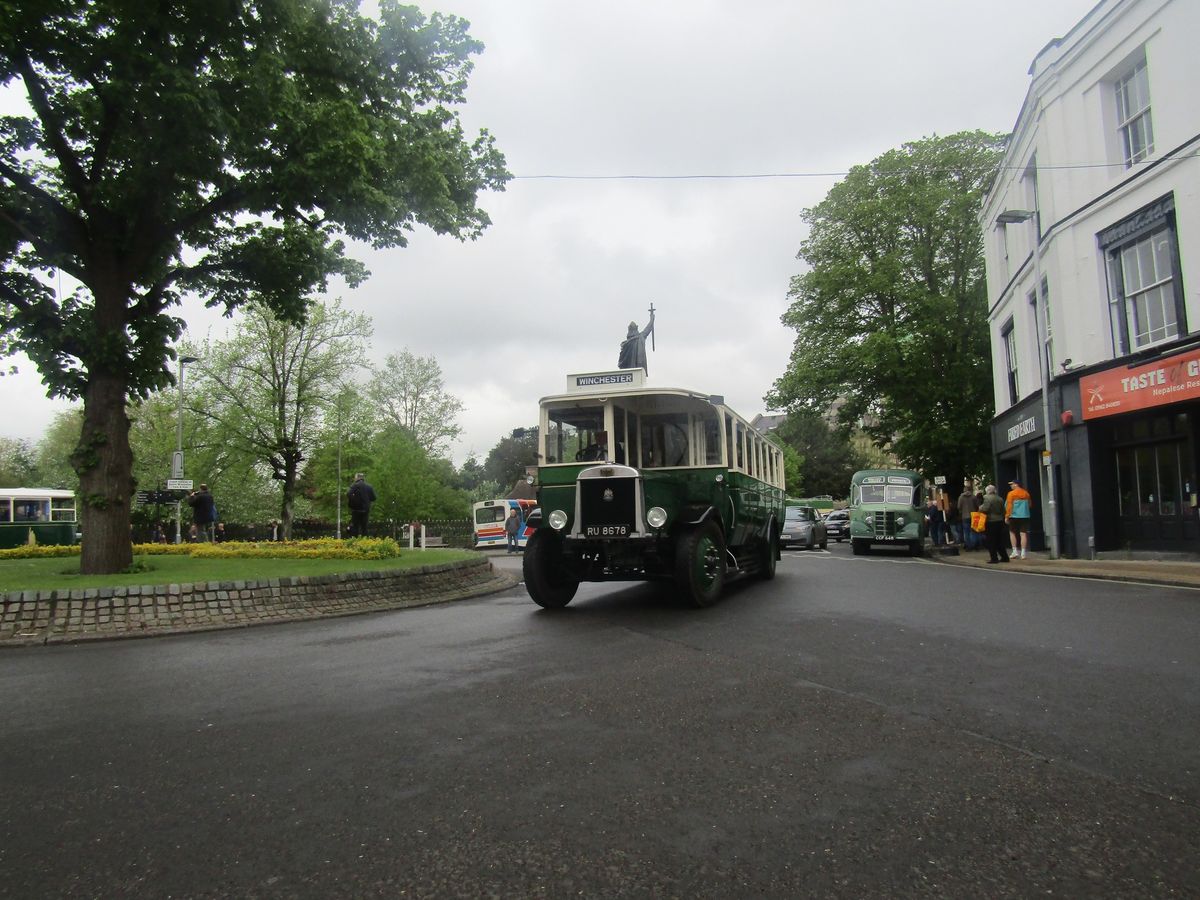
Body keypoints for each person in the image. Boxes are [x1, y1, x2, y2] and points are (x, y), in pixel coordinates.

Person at [617, 308, 655, 373]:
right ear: (636, 328)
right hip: (637, 371)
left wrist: (651, 319)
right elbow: (648, 328)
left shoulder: (625, 344)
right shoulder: (640, 337)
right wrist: (652, 319)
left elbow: (621, 363)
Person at [980, 484, 1009, 564]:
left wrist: (980, 508)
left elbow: (985, 508)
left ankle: (994, 558)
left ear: (987, 491)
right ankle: (1005, 557)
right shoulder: (1000, 498)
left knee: (991, 540)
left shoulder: (986, 498)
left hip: (990, 521)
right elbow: (1003, 510)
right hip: (999, 521)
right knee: (1000, 540)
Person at [1006, 477, 1033, 559]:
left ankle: (1015, 551)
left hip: (1013, 516)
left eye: (1012, 484)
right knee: (1023, 533)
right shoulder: (1026, 493)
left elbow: (1009, 506)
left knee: (1012, 532)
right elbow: (1030, 505)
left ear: (1016, 484)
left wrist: (1007, 516)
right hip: (1024, 516)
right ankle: (1023, 553)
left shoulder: (1011, 494)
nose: (1011, 486)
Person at [347, 472, 377, 538]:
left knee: (355, 527)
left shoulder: (354, 486)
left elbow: (349, 494)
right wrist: (367, 500)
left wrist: (354, 501)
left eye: (355, 477)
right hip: (365, 510)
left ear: (357, 478)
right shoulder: (369, 487)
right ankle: (365, 543)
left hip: (356, 510)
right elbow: (374, 498)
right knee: (364, 527)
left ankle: (354, 542)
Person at [958, 480, 979, 550]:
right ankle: (975, 545)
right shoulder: (973, 497)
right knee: (973, 531)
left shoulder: (961, 497)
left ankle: (968, 546)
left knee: (966, 532)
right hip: (973, 515)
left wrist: (961, 511)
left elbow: (959, 507)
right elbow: (977, 506)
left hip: (965, 516)